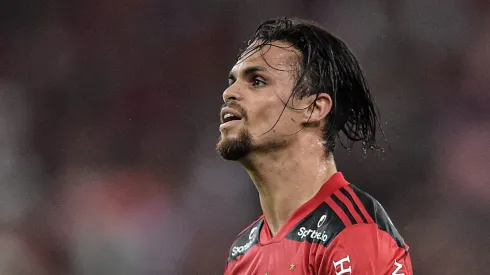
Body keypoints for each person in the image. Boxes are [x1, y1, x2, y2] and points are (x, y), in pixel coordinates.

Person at [217, 17, 413, 275]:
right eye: (233, 80)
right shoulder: (242, 252)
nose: (229, 93)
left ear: (313, 108)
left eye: (257, 81)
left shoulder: (351, 234)